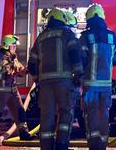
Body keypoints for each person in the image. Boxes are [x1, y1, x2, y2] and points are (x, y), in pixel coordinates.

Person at [28, 9, 84, 150]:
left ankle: (46, 147)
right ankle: (61, 145)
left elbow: (32, 64)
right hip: (64, 83)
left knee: (46, 117)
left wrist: (37, 80)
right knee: (66, 113)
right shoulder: (67, 34)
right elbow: (75, 55)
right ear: (62, 20)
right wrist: (79, 75)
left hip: (45, 85)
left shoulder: (40, 38)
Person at [79, 3, 116, 150]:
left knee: (90, 116)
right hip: (106, 86)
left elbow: (80, 59)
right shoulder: (112, 36)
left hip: (90, 86)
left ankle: (93, 145)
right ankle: (102, 145)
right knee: (103, 115)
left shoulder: (85, 37)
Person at [0, 34, 33, 145]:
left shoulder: (13, 57)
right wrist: (7, 72)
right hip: (1, 92)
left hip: (13, 91)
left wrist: (26, 70)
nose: (14, 49)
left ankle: (24, 133)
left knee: (20, 112)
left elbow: (19, 69)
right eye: (13, 46)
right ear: (6, 46)